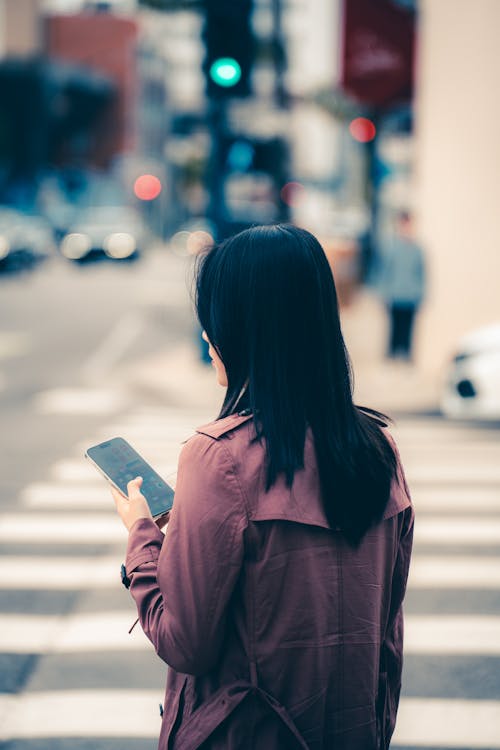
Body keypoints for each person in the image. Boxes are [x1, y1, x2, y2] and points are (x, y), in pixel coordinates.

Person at [112, 224, 414, 750]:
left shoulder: (218, 456)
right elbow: (386, 630)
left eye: (214, 318)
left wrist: (143, 534)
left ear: (245, 327)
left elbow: (185, 643)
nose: (207, 335)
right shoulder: (378, 448)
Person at [378, 211, 426, 360]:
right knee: (394, 328)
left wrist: (420, 294)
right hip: (395, 295)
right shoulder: (391, 248)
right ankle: (392, 354)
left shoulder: (417, 250)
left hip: (410, 297)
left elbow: (421, 274)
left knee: (408, 329)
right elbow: (385, 272)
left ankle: (406, 355)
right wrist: (384, 293)